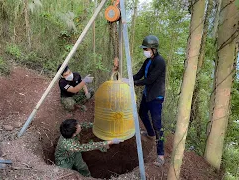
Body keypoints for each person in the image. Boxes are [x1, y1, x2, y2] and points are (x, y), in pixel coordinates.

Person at [130, 35, 166, 167]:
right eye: (144, 48)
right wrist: (127, 78)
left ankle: (160, 155)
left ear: (153, 49)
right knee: (142, 113)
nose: (144, 50)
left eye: (146, 48)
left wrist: (132, 83)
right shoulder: (148, 61)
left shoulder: (160, 61)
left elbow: (150, 80)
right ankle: (150, 133)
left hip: (156, 97)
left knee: (158, 125)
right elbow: (139, 74)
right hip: (147, 94)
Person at [55, 119, 123, 177]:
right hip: (64, 160)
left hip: (75, 153)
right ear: (74, 135)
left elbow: (84, 125)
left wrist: (98, 126)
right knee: (67, 174)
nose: (79, 125)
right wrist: (110, 142)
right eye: (78, 126)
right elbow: (88, 147)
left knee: (83, 167)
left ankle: (88, 177)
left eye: (77, 124)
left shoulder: (71, 129)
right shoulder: (69, 145)